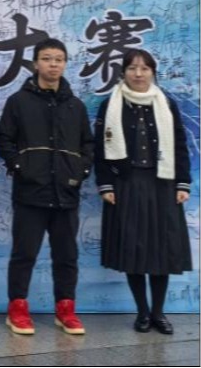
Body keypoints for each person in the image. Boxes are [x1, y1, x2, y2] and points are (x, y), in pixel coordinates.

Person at [0, 38, 93, 336]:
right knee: (24, 254)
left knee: (67, 256)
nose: (53, 64)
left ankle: (66, 309)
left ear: (65, 64)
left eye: (59, 59)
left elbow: (88, 144)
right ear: (36, 63)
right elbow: (3, 139)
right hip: (30, 192)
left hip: (66, 193)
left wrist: (80, 171)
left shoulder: (75, 106)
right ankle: (17, 308)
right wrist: (20, 167)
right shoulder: (19, 102)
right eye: (47, 59)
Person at [94, 49, 192, 335]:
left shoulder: (166, 103)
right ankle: (142, 313)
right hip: (126, 184)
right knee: (133, 248)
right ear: (123, 72)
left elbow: (179, 145)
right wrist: (106, 184)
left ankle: (159, 313)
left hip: (162, 183)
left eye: (145, 68)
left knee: (161, 250)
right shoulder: (110, 105)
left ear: (153, 72)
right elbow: (100, 149)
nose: (138, 74)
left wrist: (182, 183)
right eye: (132, 68)